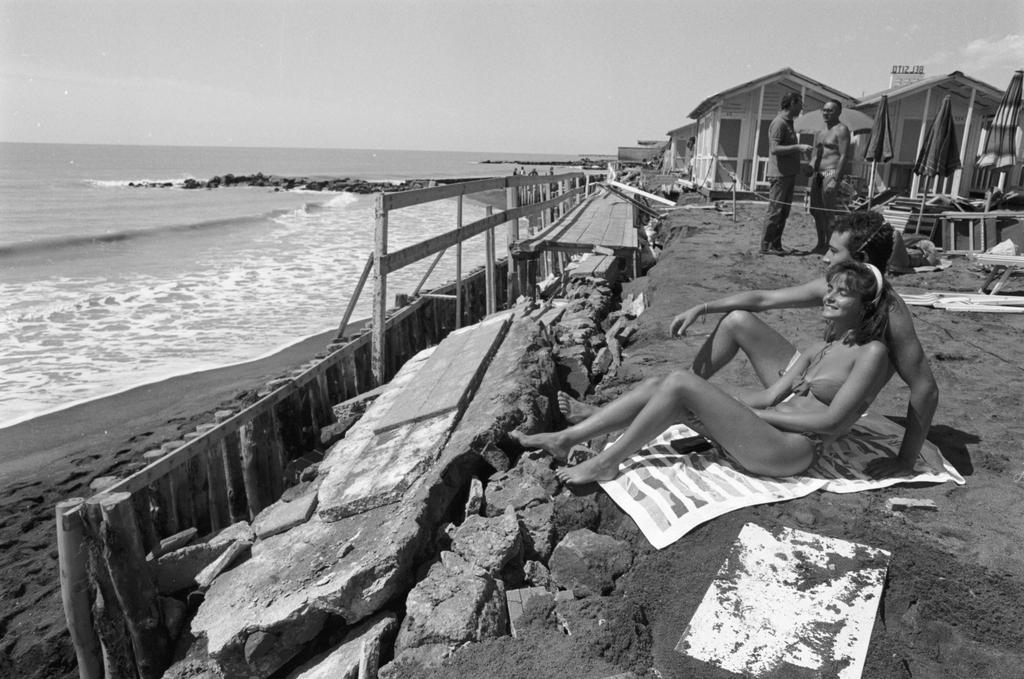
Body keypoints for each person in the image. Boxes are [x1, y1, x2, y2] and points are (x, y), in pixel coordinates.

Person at [559, 212, 938, 480]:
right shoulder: (839, 295)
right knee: (735, 323)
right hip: (809, 384)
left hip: (809, 419)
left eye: (834, 252)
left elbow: (924, 387)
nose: (824, 257)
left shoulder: (890, 317)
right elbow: (763, 300)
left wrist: (906, 459)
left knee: (684, 387)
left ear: (863, 261)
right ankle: (640, 409)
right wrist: (705, 307)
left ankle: (668, 407)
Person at [516, 260, 891, 484]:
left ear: (865, 305)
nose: (828, 297)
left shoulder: (871, 352)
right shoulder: (819, 348)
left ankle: (606, 463)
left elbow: (829, 422)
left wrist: (751, 415)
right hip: (766, 432)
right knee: (668, 385)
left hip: (792, 450)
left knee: (682, 383)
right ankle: (569, 437)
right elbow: (769, 395)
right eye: (830, 289)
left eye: (842, 294)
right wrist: (723, 403)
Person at [761, 92, 814, 256]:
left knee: (783, 212)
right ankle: (766, 245)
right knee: (775, 211)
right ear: (792, 103)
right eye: (800, 105)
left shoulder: (789, 123)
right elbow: (774, 149)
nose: (801, 109)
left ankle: (776, 244)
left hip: (789, 174)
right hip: (780, 175)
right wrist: (798, 148)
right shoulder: (779, 123)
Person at [808, 100, 851, 255]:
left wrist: (836, 179)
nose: (826, 113)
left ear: (838, 112)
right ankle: (821, 243)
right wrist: (810, 166)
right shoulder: (821, 131)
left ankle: (830, 245)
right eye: (824, 110)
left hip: (831, 174)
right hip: (818, 174)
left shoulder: (841, 129)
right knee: (815, 210)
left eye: (830, 110)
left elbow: (844, 156)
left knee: (828, 212)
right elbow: (817, 154)